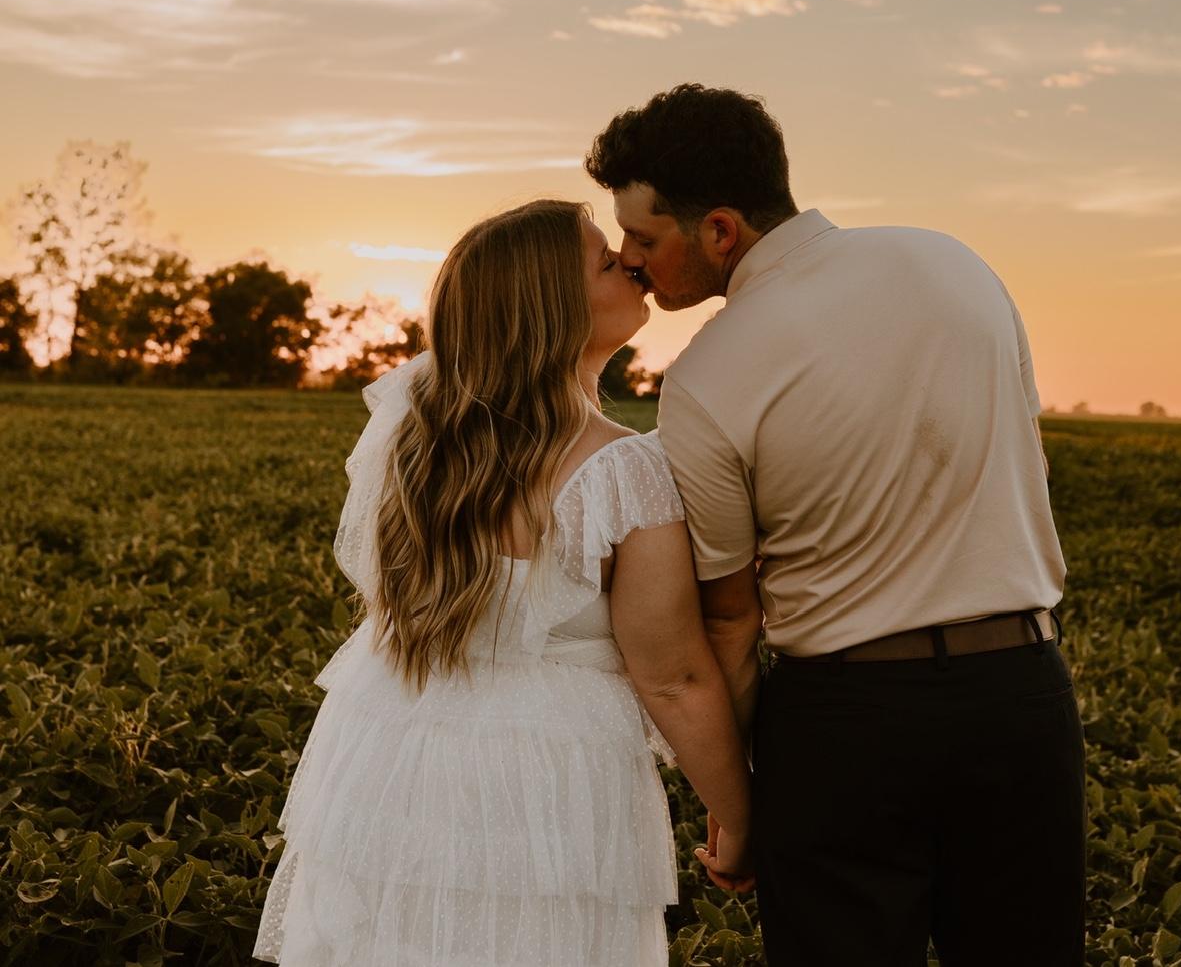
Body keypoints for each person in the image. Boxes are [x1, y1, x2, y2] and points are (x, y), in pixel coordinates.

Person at [585, 85, 1086, 967]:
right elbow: (1023, 460)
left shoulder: (709, 376)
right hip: (1021, 696)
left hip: (845, 726)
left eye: (644, 238)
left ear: (721, 232)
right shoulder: (954, 264)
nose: (630, 260)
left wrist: (736, 810)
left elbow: (733, 619)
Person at [253, 199, 752, 967]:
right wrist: (738, 809)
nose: (628, 262)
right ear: (552, 306)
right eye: (601, 260)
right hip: (544, 786)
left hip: (390, 754)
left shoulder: (412, 437)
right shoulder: (622, 468)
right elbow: (675, 677)